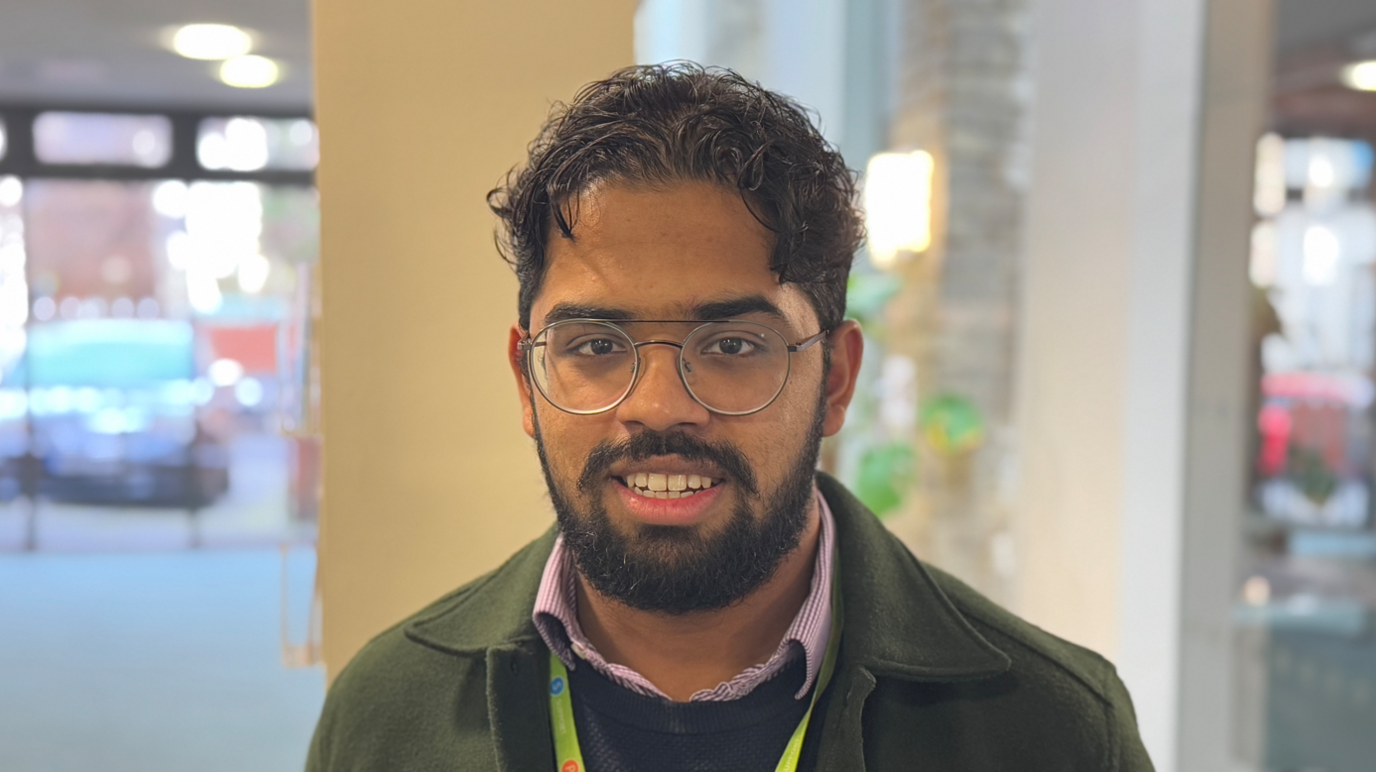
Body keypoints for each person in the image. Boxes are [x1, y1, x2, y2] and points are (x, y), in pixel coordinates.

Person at [306, 63, 1152, 772]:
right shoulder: (386, 717)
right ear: (528, 383)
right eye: (596, 343)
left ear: (835, 382)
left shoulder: (1053, 730)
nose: (660, 406)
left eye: (734, 346)